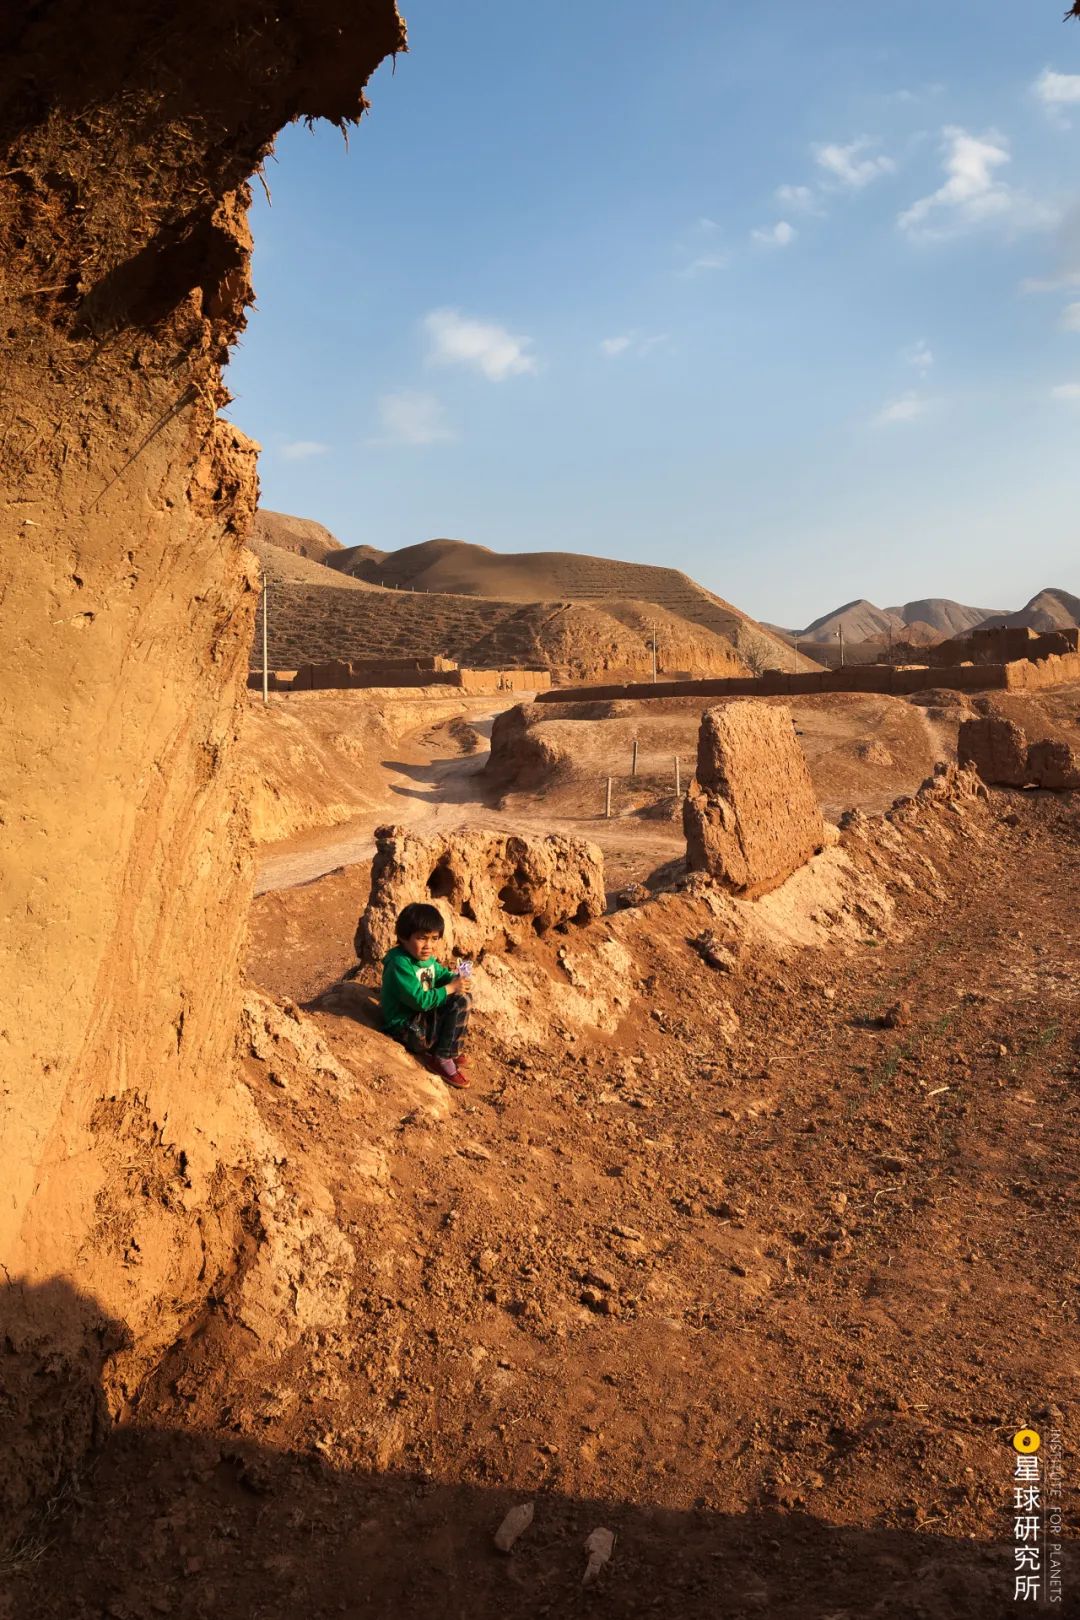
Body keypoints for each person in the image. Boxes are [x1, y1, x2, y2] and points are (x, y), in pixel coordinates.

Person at [380, 902, 473, 1089]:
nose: (428, 946)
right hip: (405, 1026)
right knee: (457, 1000)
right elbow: (420, 1001)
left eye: (434, 939)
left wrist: (456, 979)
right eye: (422, 938)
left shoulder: (426, 959)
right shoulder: (400, 963)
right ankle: (442, 1058)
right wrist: (451, 988)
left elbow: (440, 975)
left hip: (419, 1017)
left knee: (462, 997)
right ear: (403, 937)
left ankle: (449, 1049)